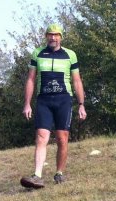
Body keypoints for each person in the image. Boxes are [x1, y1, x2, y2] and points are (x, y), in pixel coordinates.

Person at [20, 23, 87, 189]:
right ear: (46, 36)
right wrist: (27, 104)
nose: (53, 37)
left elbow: (77, 80)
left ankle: (59, 173)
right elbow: (30, 79)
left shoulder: (70, 55)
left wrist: (81, 104)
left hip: (64, 99)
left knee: (62, 138)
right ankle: (37, 175)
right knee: (41, 136)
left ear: (61, 37)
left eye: (56, 35)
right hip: (44, 100)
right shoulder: (38, 53)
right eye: (50, 34)